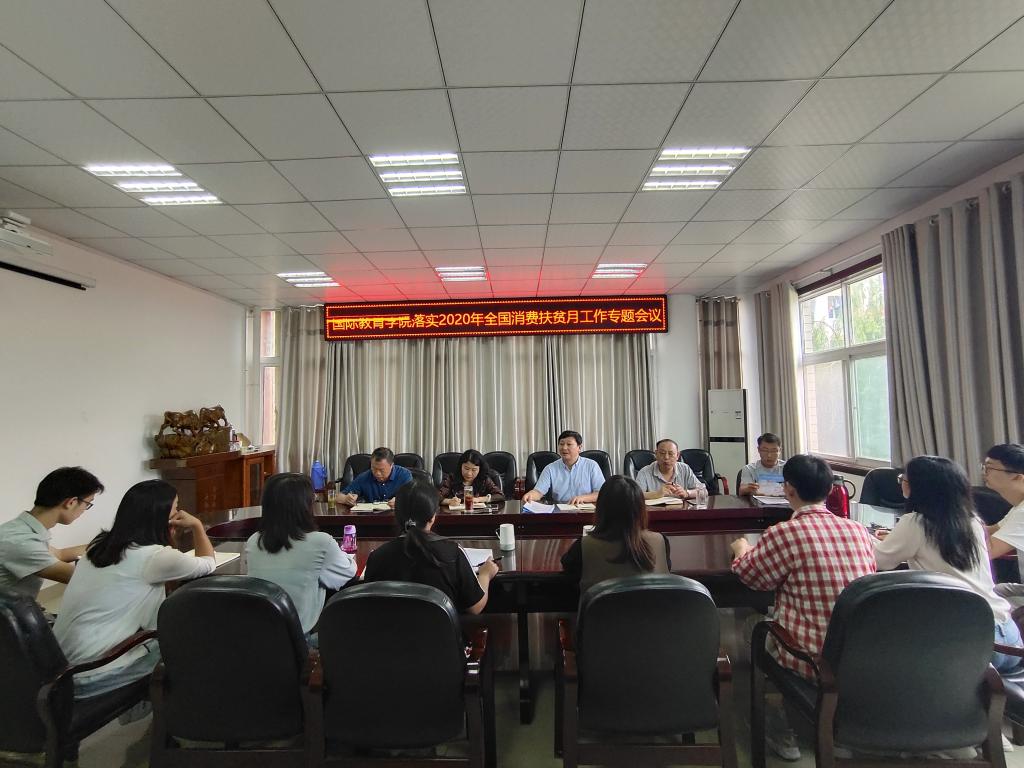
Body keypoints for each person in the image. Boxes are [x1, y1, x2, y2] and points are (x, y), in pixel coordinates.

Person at [731, 454, 875, 760]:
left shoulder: (785, 532)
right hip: (859, 654)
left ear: (789, 489)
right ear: (829, 490)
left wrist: (742, 549)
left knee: (751, 625)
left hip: (811, 658)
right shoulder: (859, 530)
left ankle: (777, 724)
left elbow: (752, 578)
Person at [53, 480, 216, 699]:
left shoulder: (98, 545)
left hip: (61, 668)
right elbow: (208, 563)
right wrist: (197, 525)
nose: (179, 513)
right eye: (176, 508)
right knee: (191, 642)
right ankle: (181, 711)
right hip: (93, 674)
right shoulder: (154, 557)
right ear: (161, 516)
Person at [872, 455, 1022, 672]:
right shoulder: (972, 521)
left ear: (917, 487)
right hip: (1009, 637)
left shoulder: (916, 523)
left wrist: (862, 537)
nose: (901, 482)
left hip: (978, 645)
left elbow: (879, 561)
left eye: (903, 478)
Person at [245, 473, 356, 641]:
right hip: (301, 641)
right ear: (305, 505)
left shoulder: (254, 541)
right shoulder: (321, 542)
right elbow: (348, 573)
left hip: (259, 638)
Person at [363, 479, 498, 614]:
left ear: (397, 515)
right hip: (442, 628)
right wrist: (485, 575)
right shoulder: (452, 553)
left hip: (391, 628)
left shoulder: (377, 557)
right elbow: (475, 608)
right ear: (433, 516)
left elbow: (370, 605)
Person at [0, 467, 104, 600]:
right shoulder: (20, 541)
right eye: (87, 504)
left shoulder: (20, 528)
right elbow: (83, 579)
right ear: (71, 502)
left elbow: (61, 554)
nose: (84, 510)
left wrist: (108, 543)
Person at [560, 475, 671, 593]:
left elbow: (569, 573)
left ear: (601, 509)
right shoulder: (660, 542)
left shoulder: (584, 546)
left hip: (601, 605)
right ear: (641, 509)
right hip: (653, 605)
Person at [982, 444, 1024, 606]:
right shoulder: (1018, 508)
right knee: (995, 591)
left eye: (989, 468)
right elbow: (988, 531)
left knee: (983, 602)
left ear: (1018, 477)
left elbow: (987, 551)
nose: (984, 473)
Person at [520, 430, 605, 505]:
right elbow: (538, 492)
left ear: (579, 447)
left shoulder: (591, 466)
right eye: (561, 444)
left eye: (569, 444)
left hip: (586, 511)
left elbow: (601, 493)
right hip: (560, 512)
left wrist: (583, 498)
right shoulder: (550, 468)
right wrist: (530, 495)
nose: (564, 448)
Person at [633, 439, 706, 500]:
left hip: (681, 511)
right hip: (654, 511)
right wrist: (657, 494)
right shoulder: (645, 471)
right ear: (656, 454)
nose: (666, 457)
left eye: (671, 454)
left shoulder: (684, 469)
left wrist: (687, 493)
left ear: (677, 455)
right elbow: (635, 495)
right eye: (662, 453)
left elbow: (704, 492)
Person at [339, 447, 413, 506]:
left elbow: (414, 498)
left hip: (397, 517)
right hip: (371, 517)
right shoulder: (364, 477)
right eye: (374, 468)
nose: (377, 473)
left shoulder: (404, 475)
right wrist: (346, 499)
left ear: (391, 466)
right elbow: (338, 497)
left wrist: (400, 501)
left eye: (381, 470)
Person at [438, 449, 504, 506]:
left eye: (474, 470)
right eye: (466, 468)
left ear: (480, 469)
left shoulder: (484, 479)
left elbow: (500, 496)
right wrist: (449, 501)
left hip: (479, 515)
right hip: (456, 514)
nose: (469, 473)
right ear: (461, 466)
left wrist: (479, 499)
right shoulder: (452, 478)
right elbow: (437, 497)